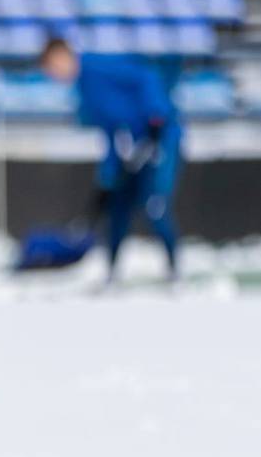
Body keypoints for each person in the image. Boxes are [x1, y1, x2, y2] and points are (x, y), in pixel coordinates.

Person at [36, 36, 181, 280]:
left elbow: (145, 77)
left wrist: (156, 118)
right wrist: (107, 179)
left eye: (53, 67)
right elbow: (112, 133)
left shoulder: (97, 67)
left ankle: (174, 269)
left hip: (159, 138)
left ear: (62, 56)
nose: (54, 75)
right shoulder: (84, 92)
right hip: (131, 150)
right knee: (117, 207)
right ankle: (112, 273)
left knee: (153, 205)